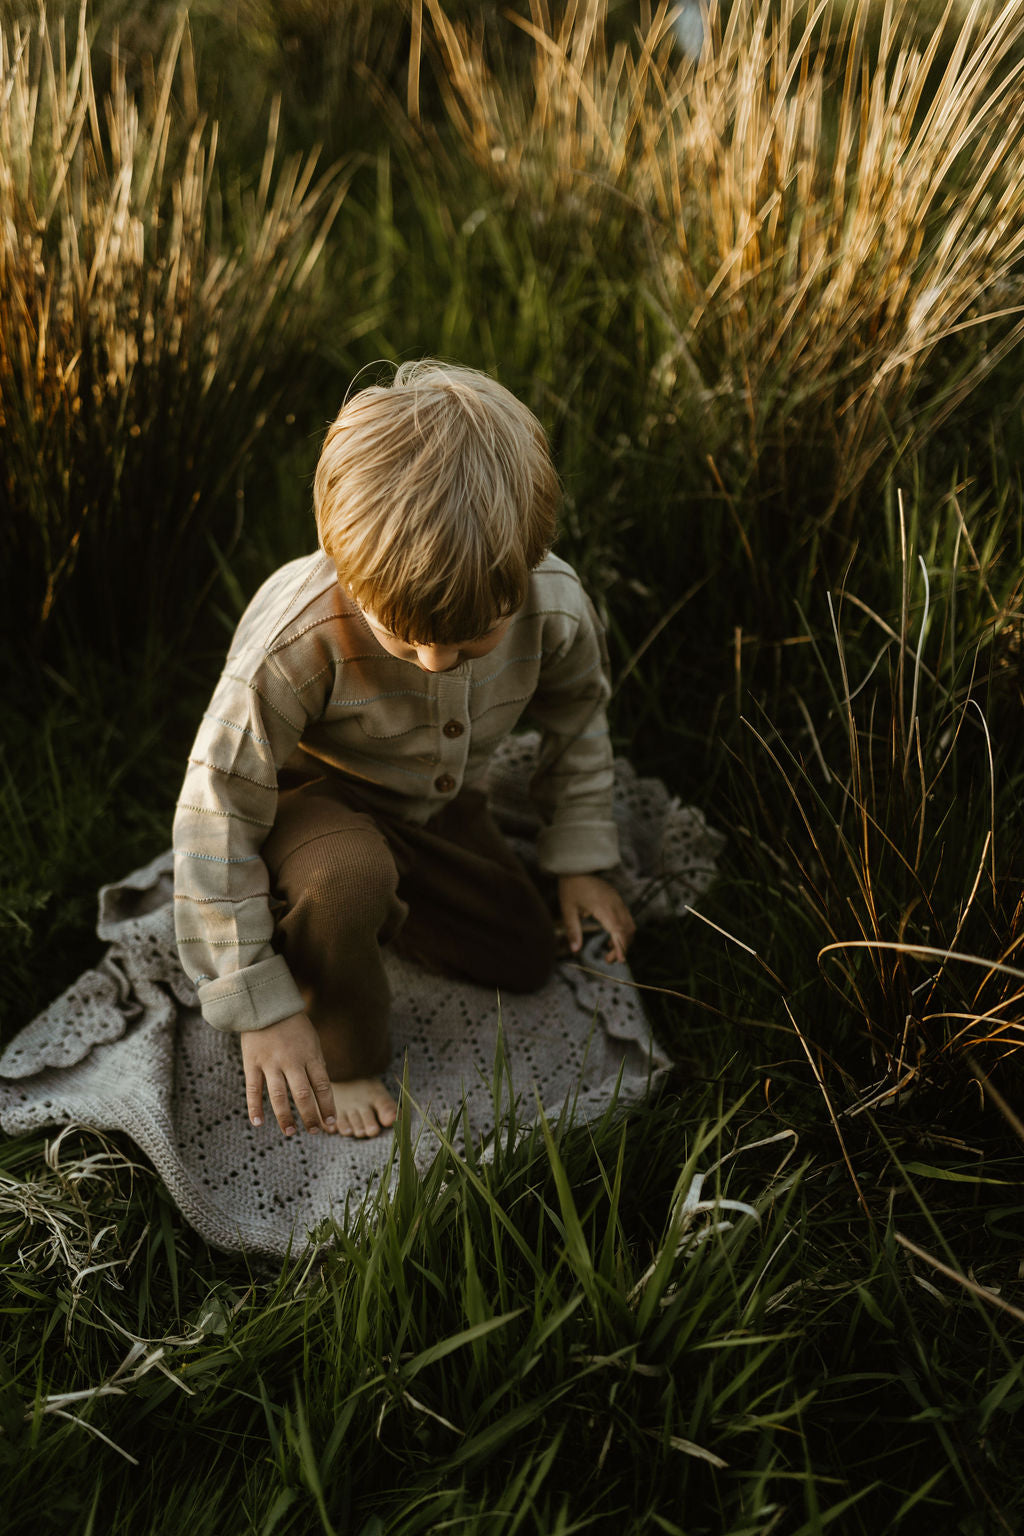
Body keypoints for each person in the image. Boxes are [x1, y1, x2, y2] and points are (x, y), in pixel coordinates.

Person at [173, 360, 635, 1141]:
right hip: (311, 801)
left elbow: (577, 717)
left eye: (470, 639)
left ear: (525, 567)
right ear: (347, 570)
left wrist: (579, 857)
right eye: (405, 639)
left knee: (525, 957)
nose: (436, 663)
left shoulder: (553, 606)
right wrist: (257, 1001)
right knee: (349, 876)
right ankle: (341, 1027)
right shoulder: (298, 639)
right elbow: (214, 805)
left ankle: (348, 917)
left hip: (439, 806)